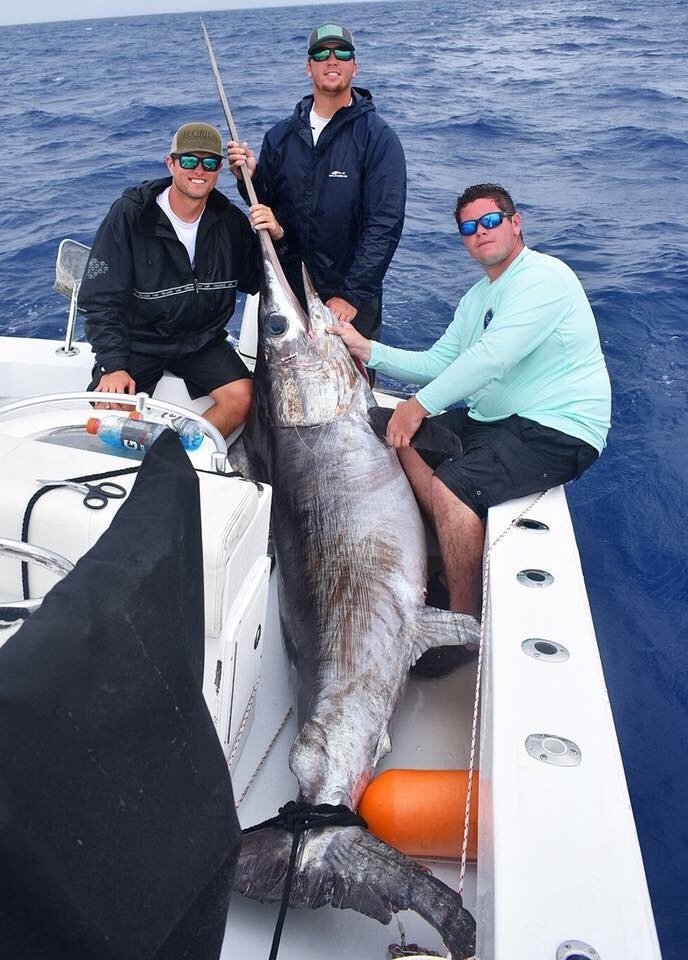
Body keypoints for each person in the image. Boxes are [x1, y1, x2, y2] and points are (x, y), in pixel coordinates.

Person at [329, 182, 611, 626]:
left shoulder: (545, 277)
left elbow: (493, 356)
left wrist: (417, 406)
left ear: (515, 224)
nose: (480, 231)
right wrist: (366, 348)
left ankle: (460, 623)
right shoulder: (478, 296)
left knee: (450, 485)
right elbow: (439, 362)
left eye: (490, 221)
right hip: (495, 418)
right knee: (396, 438)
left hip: (557, 429)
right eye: (468, 227)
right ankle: (450, 539)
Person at [79, 121, 283, 437]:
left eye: (209, 162)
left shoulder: (230, 222)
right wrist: (113, 364)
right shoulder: (130, 216)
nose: (198, 170)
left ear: (219, 170)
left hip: (201, 340)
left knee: (244, 398)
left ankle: (181, 450)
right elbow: (99, 299)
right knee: (109, 411)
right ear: (171, 163)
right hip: (140, 341)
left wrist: (277, 238)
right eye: (188, 160)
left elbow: (258, 281)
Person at [226, 22, 406, 343]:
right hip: (287, 291)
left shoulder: (378, 138)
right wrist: (248, 178)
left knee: (348, 389)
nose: (332, 59)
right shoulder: (280, 136)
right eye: (321, 53)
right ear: (308, 67)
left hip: (348, 303)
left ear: (355, 65)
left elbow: (384, 225)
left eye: (342, 53)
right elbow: (266, 207)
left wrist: (351, 295)